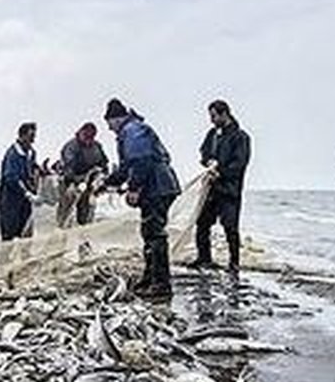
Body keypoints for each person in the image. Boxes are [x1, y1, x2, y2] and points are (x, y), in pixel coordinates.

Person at [99, 99, 181, 299]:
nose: (110, 129)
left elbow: (141, 160)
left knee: (155, 234)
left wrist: (134, 188)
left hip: (157, 186)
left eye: (109, 124)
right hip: (157, 186)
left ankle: (161, 284)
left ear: (116, 119)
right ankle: (150, 278)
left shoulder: (133, 130)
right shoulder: (131, 131)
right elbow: (127, 167)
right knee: (149, 232)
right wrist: (107, 183)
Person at [191, 99, 252, 273]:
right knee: (202, 223)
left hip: (230, 190)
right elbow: (203, 152)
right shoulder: (212, 134)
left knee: (230, 228)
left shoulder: (241, 137)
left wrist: (221, 173)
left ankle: (234, 263)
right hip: (210, 189)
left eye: (213, 116)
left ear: (224, 113)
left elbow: (240, 164)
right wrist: (208, 161)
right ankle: (204, 259)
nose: (211, 120)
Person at [56, 122, 109, 228]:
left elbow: (104, 163)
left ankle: (83, 230)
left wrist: (102, 178)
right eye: (86, 135)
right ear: (81, 133)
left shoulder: (97, 147)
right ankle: (62, 228)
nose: (89, 139)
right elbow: (68, 166)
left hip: (88, 181)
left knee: (86, 208)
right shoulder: (71, 146)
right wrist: (74, 181)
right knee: (68, 205)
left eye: (92, 136)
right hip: (69, 181)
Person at [0, 122, 39, 241]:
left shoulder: (31, 153)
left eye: (34, 137)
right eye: (30, 136)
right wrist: (26, 192)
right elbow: (11, 177)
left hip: (26, 202)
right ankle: (6, 260)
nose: (32, 140)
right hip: (10, 202)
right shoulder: (13, 154)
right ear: (22, 136)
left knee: (26, 235)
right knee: (9, 236)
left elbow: (32, 170)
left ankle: (24, 259)